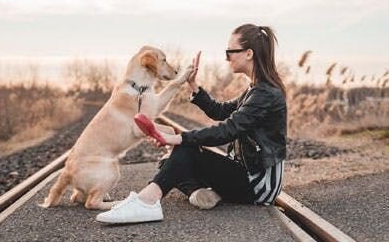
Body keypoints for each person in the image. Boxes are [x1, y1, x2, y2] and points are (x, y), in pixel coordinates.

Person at [96, 24, 287, 224]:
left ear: (248, 54)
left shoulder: (265, 94)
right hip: (244, 174)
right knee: (169, 163)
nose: (226, 57)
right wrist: (193, 85)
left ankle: (147, 202)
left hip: (257, 184)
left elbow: (228, 130)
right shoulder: (255, 90)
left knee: (184, 152)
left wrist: (179, 138)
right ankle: (199, 193)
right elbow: (220, 111)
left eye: (230, 51)